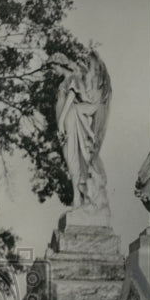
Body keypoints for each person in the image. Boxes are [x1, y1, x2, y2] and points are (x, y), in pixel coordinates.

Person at [51, 50, 112, 213]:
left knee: (74, 160)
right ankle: (77, 197)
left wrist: (62, 121)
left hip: (72, 121)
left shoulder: (73, 79)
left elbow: (71, 99)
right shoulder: (65, 81)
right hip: (66, 124)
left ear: (60, 64)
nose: (53, 70)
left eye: (54, 66)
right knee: (71, 160)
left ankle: (79, 198)